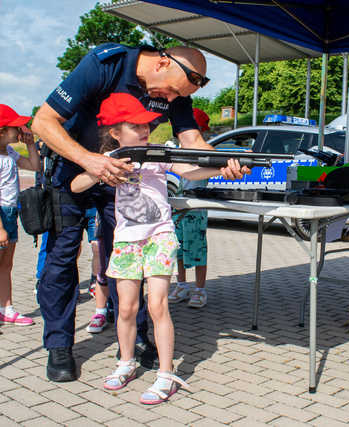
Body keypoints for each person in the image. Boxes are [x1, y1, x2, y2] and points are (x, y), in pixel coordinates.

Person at [31, 42, 249, 382]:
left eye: (180, 96)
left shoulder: (177, 93)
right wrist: (90, 160)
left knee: (126, 258)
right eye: (174, 91)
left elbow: (191, 141)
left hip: (124, 177)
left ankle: (132, 340)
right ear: (163, 63)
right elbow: (42, 122)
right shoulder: (105, 65)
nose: (172, 100)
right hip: (75, 169)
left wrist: (224, 165)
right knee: (62, 258)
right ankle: (59, 345)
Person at [71, 93, 233, 404]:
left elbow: (188, 171)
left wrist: (220, 169)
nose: (146, 130)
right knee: (127, 309)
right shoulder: (110, 157)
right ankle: (126, 363)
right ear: (116, 132)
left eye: (147, 124)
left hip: (159, 236)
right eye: (136, 125)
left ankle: (166, 374)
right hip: (126, 240)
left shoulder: (158, 153)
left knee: (158, 306)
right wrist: (101, 168)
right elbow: (76, 186)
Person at [0, 104, 41, 325]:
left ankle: (6, 307)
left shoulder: (10, 152)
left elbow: (34, 166)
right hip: (0, 216)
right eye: (15, 127)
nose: (20, 130)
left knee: (6, 265)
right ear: (2, 131)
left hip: (10, 211)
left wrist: (31, 145)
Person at [169, 108, 211, 308]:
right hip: (178, 205)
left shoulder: (203, 151)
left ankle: (200, 289)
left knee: (197, 248)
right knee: (177, 247)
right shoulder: (177, 150)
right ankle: (182, 284)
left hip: (196, 207)